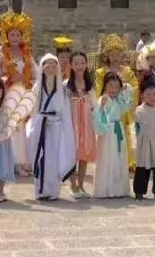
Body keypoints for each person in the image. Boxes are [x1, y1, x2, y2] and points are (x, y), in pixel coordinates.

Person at [0, 11, 37, 177]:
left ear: (22, 36)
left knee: (21, 127)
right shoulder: (1, 53)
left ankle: (21, 161)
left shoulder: (27, 53)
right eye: (12, 34)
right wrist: (5, 80)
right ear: (6, 36)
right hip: (8, 92)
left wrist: (33, 84)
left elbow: (36, 72)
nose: (15, 38)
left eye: (18, 35)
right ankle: (9, 161)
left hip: (23, 93)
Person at [26, 54, 75, 201]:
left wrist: (66, 130)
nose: (51, 67)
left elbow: (65, 112)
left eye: (54, 65)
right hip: (40, 126)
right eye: (47, 65)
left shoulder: (62, 89)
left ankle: (53, 191)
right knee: (40, 158)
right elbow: (33, 110)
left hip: (56, 128)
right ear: (42, 67)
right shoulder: (37, 87)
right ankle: (40, 191)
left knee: (53, 160)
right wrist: (38, 122)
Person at [94, 34, 139, 171]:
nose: (115, 57)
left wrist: (126, 89)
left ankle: (127, 161)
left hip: (123, 108)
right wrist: (106, 95)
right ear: (107, 55)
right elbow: (98, 89)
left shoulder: (128, 72)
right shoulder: (100, 72)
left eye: (118, 54)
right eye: (112, 54)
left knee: (125, 134)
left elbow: (135, 87)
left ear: (121, 55)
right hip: (108, 107)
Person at [92, 71, 131, 198]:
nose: (113, 89)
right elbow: (98, 115)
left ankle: (119, 189)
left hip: (118, 129)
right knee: (106, 158)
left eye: (116, 86)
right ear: (105, 86)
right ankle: (105, 189)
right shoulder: (103, 99)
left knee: (119, 157)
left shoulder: (118, 99)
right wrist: (101, 108)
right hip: (107, 132)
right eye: (110, 86)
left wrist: (125, 89)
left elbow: (127, 106)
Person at [66, 51, 98, 199]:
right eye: (76, 63)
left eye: (82, 63)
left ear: (86, 65)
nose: (79, 66)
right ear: (71, 66)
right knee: (72, 155)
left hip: (87, 124)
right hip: (72, 125)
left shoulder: (90, 86)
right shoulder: (66, 85)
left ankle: (81, 185)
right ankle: (72, 186)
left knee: (84, 155)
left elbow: (95, 105)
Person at [132, 81, 155, 199]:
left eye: (154, 94)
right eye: (148, 94)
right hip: (144, 142)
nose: (152, 97)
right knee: (142, 166)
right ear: (142, 95)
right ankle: (139, 191)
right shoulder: (139, 110)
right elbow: (136, 127)